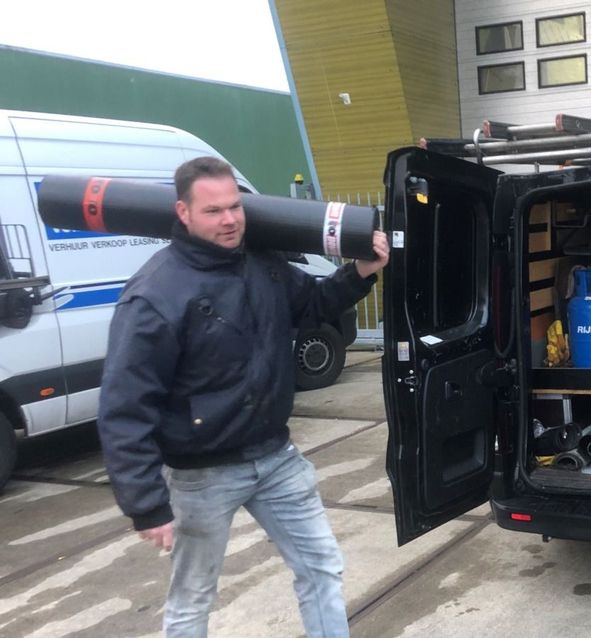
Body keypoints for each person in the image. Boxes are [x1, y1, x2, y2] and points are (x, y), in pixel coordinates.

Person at [97, 156, 388, 637]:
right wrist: (146, 504)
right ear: (183, 213)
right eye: (213, 211)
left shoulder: (261, 263)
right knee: (193, 597)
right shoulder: (155, 295)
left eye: (235, 206)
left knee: (322, 568)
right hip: (202, 475)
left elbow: (311, 304)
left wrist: (360, 272)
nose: (230, 219)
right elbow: (125, 408)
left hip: (276, 458)